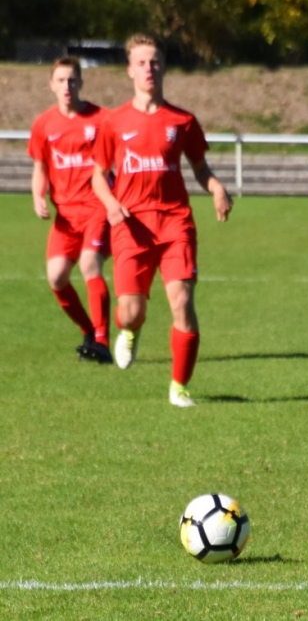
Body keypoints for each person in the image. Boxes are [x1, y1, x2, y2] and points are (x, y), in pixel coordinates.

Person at [91, 33, 233, 408]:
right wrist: (110, 204)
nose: (148, 68)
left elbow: (200, 168)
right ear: (129, 70)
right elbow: (98, 175)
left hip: (175, 223)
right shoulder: (114, 122)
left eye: (154, 61)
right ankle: (129, 329)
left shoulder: (183, 120)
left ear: (164, 66)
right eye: (141, 62)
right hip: (131, 226)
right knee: (131, 312)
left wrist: (217, 188)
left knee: (182, 303)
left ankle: (179, 387)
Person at [28, 57, 113, 364]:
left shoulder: (102, 119)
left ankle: (102, 341)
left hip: (97, 208)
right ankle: (89, 331)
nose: (67, 86)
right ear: (51, 85)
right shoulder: (44, 124)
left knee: (90, 263)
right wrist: (38, 195)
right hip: (66, 216)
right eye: (61, 80)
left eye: (72, 80)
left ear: (81, 83)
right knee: (56, 277)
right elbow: (40, 167)